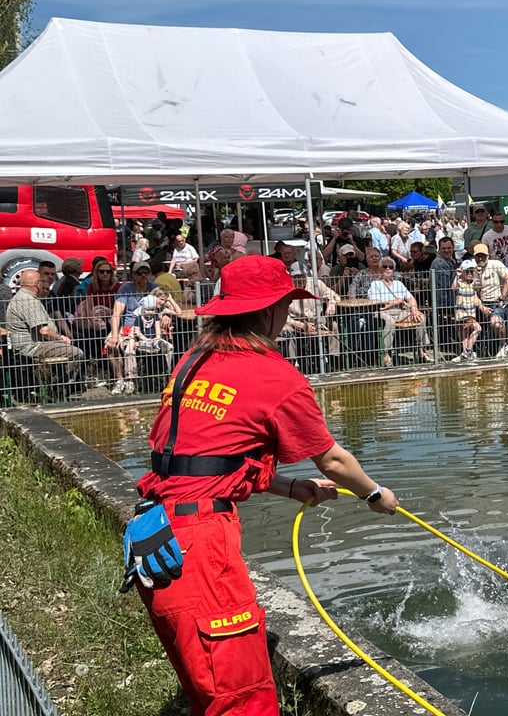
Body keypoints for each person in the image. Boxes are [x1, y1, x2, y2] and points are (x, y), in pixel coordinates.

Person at [125, 255, 398, 715]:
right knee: (241, 698)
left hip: (153, 532)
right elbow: (333, 460)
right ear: (270, 310)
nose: (288, 314)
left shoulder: (193, 360)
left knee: (205, 689)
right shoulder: (275, 375)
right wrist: (374, 494)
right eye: (287, 304)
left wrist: (286, 485)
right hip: (199, 546)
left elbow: (199, 458)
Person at [6, 269, 86, 391]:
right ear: (37, 284)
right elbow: (45, 332)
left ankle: (58, 383)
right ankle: (63, 386)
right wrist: (61, 338)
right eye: (42, 281)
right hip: (32, 346)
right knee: (76, 353)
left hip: (30, 344)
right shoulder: (29, 301)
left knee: (74, 343)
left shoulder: (21, 297)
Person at [367, 257, 434, 368]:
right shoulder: (375, 284)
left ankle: (422, 350)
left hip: (399, 311)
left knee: (420, 317)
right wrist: (394, 302)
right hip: (383, 312)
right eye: (385, 267)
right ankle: (386, 354)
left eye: (391, 267)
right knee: (389, 321)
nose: (388, 269)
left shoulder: (398, 284)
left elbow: (411, 298)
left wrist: (414, 309)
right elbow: (376, 305)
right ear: (380, 269)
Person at [107, 262, 158, 394]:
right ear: (133, 276)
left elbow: (166, 305)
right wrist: (114, 334)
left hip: (149, 328)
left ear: (151, 275)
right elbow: (116, 313)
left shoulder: (155, 289)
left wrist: (165, 315)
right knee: (110, 345)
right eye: (139, 273)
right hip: (128, 328)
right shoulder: (125, 289)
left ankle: (131, 380)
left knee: (130, 348)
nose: (143, 276)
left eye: (146, 273)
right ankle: (120, 379)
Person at [470, 242, 508, 357]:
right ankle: (469, 350)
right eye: (478, 256)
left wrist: (502, 298)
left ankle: (503, 344)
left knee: (496, 322)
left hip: (499, 302)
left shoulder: (496, 264)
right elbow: (472, 292)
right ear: (474, 257)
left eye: (483, 256)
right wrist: (482, 307)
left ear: (488, 256)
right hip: (482, 304)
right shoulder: (472, 270)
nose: (480, 258)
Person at [450, 258, 485, 363]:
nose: (470, 273)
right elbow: (453, 288)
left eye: (471, 271)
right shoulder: (460, 283)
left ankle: (466, 353)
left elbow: (480, 287)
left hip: (470, 313)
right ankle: (468, 351)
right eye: (467, 271)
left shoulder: (472, 284)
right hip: (462, 314)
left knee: (466, 335)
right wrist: (457, 275)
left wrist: (478, 274)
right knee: (477, 329)